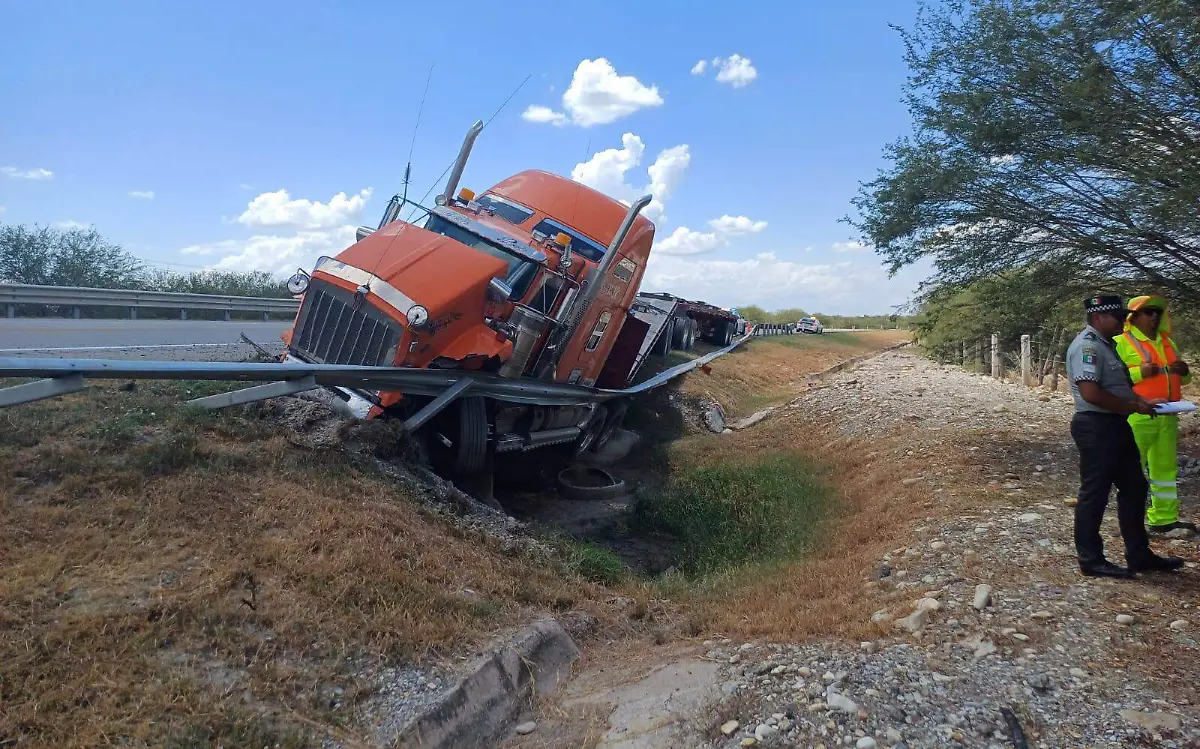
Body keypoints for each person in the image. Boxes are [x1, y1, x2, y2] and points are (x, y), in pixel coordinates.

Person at [1065, 295, 1184, 578]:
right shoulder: (1088, 346)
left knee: (1134, 487)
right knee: (1094, 494)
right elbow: (1091, 393)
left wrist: (1142, 400)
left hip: (1116, 425)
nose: (1123, 321)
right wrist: (1134, 405)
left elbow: (1118, 384)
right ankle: (1091, 560)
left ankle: (1139, 554)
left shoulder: (1108, 346)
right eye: (1118, 317)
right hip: (1096, 426)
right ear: (1098, 318)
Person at [1115, 295, 1196, 535]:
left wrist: (1185, 373)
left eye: (1157, 313)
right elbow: (1113, 379)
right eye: (1148, 312)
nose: (1154, 317)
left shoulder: (1169, 343)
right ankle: (1130, 523)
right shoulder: (1120, 342)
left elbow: (1185, 380)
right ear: (1133, 317)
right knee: (1130, 469)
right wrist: (1140, 372)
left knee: (1165, 469)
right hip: (1137, 415)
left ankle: (1164, 519)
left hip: (1168, 415)